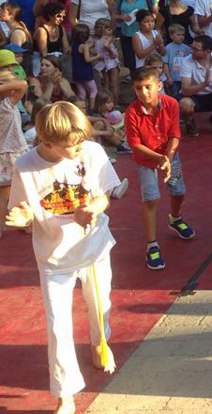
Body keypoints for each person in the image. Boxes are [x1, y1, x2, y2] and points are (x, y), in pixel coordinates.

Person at [5, 102, 123, 414]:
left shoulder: (92, 152)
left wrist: (91, 209)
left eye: (82, 141)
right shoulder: (26, 165)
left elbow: (104, 195)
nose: (80, 148)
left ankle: (99, 342)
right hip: (53, 259)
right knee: (58, 325)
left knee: (100, 306)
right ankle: (65, 392)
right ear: (47, 142)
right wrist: (22, 217)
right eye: (73, 145)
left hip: (93, 248)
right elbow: (22, 207)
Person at [124, 66, 192, 271]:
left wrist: (168, 158)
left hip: (170, 155)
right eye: (138, 88)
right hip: (145, 160)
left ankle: (175, 219)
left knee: (178, 192)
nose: (143, 92)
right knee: (151, 199)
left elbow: (175, 134)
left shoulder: (171, 104)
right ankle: (152, 245)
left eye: (148, 87)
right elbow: (135, 144)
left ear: (159, 85)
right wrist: (159, 158)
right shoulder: (131, 112)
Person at [178, 35, 212, 136]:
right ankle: (189, 121)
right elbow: (185, 90)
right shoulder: (186, 61)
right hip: (193, 96)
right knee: (184, 104)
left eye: (196, 49)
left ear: (207, 51)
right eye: (192, 47)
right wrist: (204, 84)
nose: (192, 51)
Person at [0, 68, 28, 236]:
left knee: (5, 194)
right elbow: (23, 84)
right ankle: (26, 223)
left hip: (4, 153)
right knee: (20, 191)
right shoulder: (6, 104)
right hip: (13, 153)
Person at [70, 24, 98, 110]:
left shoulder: (74, 45)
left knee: (82, 92)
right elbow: (87, 59)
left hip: (76, 71)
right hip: (85, 71)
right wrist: (97, 56)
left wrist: (90, 45)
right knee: (93, 90)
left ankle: (81, 108)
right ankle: (92, 108)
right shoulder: (84, 46)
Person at [92, 19, 120, 103]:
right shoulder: (96, 39)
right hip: (104, 62)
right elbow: (103, 47)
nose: (110, 31)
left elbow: (106, 46)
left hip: (111, 62)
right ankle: (107, 102)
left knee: (113, 84)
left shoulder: (108, 38)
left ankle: (115, 102)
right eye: (108, 29)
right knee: (107, 83)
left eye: (110, 29)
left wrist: (109, 51)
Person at [161, 24, 190, 100]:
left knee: (185, 96)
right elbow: (165, 64)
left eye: (182, 35)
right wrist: (168, 77)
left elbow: (190, 63)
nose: (181, 37)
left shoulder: (186, 48)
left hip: (184, 78)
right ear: (171, 36)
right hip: (173, 79)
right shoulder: (168, 48)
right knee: (174, 96)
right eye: (178, 35)